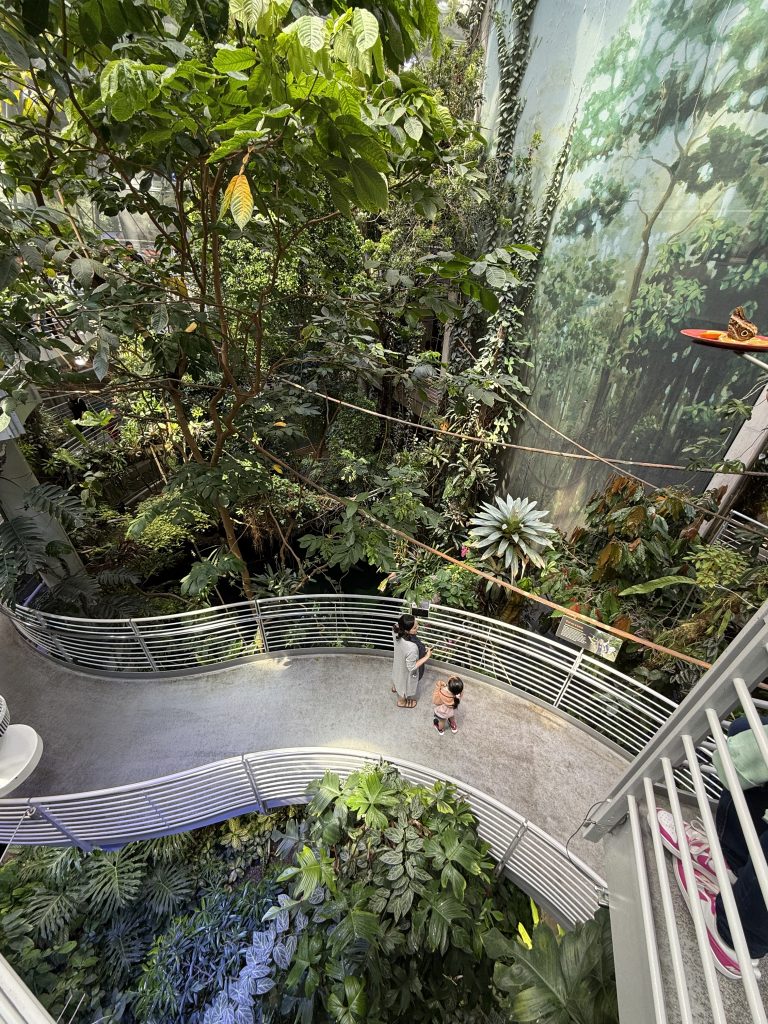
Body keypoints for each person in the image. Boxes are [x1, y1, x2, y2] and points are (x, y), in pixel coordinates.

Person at [657, 715, 768, 980]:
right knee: (746, 733)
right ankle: (735, 863)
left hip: (740, 934)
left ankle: (734, 934)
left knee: (750, 747)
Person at [391, 614, 431, 709]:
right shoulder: (411, 647)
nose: (418, 627)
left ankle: (395, 687)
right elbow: (411, 667)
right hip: (406, 668)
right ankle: (402, 701)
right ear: (406, 630)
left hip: (399, 660)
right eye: (415, 627)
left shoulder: (395, 629)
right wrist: (427, 656)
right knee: (405, 681)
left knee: (398, 674)